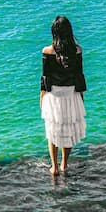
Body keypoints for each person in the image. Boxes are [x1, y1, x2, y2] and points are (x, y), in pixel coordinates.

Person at [40, 15, 87, 175]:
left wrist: (41, 98)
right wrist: (81, 97)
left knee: (52, 130)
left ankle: (53, 167)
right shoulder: (77, 50)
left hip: (53, 95)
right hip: (71, 93)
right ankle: (64, 165)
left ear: (54, 32)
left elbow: (45, 78)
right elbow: (79, 76)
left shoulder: (47, 51)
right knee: (68, 130)